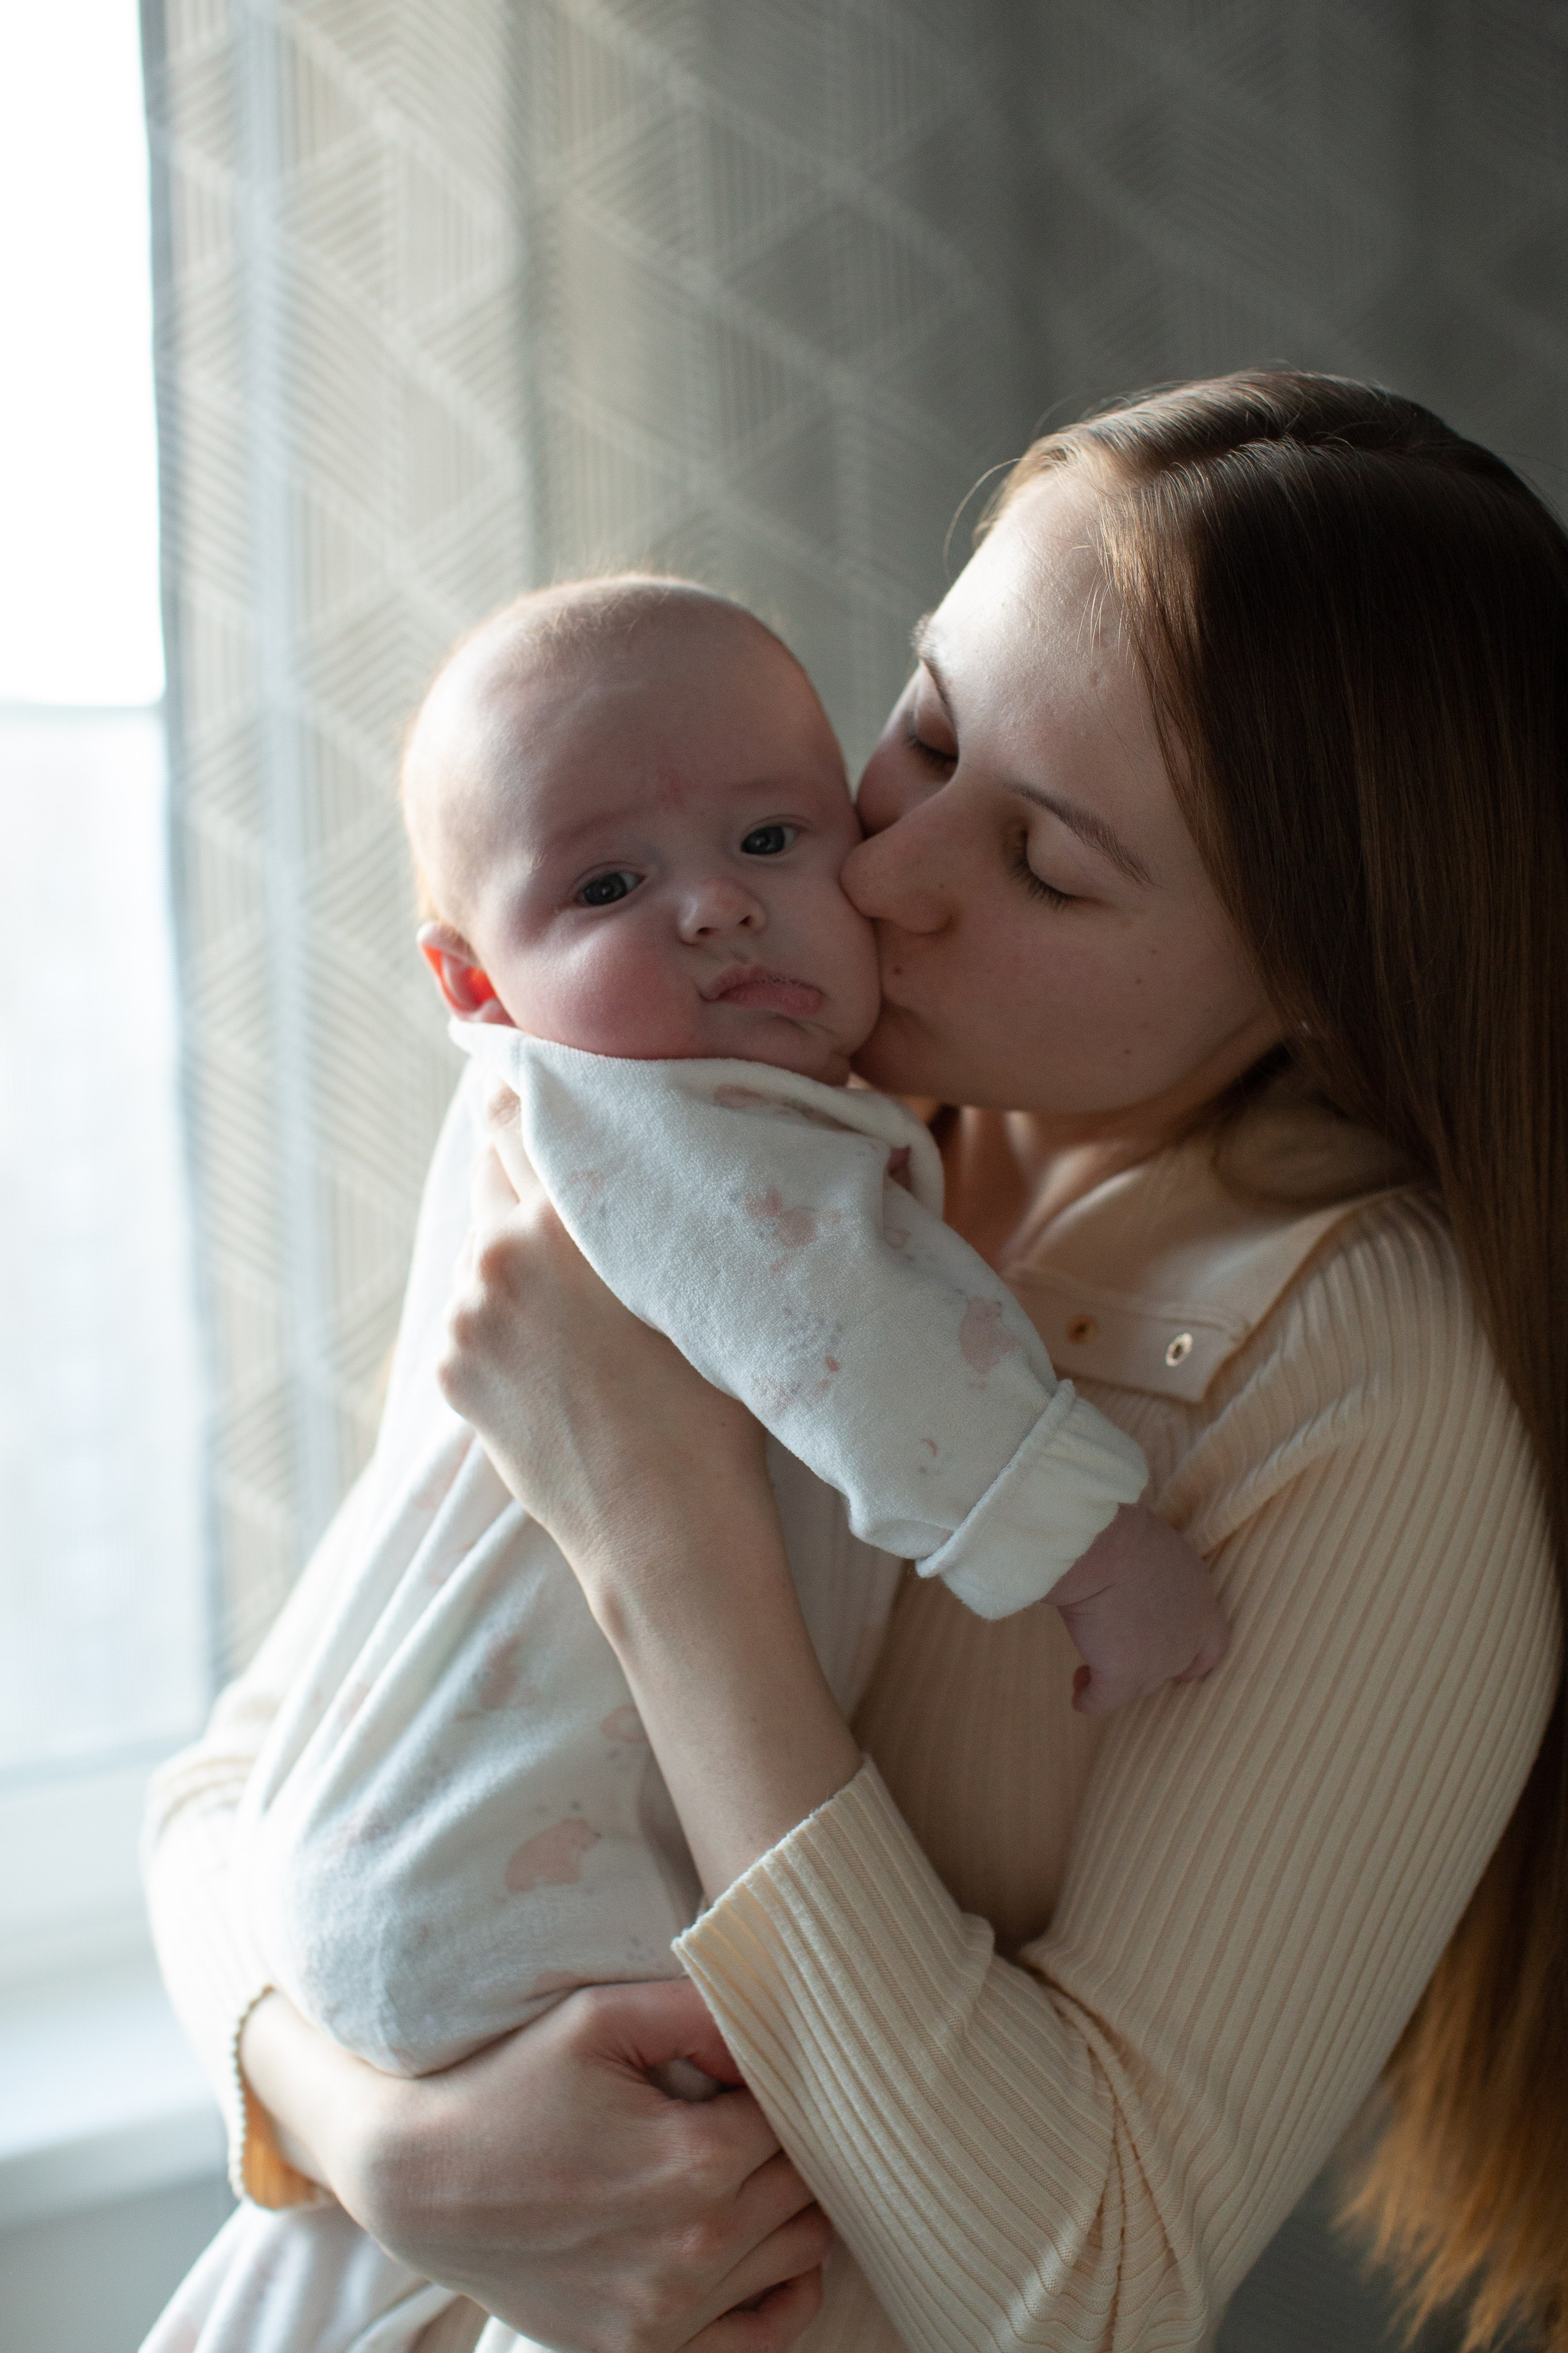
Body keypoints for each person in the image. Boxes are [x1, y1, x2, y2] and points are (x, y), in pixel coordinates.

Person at [144, 371, 1568, 2353]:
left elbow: (1088, 2284)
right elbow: (239, 1780)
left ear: (1316, 972)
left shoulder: (1365, 1368)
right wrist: (383, 2139)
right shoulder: (729, 1123)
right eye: (922, 728)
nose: (872, 875)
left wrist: (661, 1525)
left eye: (1048, 864)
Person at [141, 579, 1221, 2353]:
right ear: (475, 983)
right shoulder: (659, 1119)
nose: (717, 904)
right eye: (607, 886)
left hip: (382, 1879)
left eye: (776, 834)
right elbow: (861, 1345)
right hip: (499, 1886)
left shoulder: (648, 1113)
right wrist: (1094, 1546)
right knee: (690, 2243)